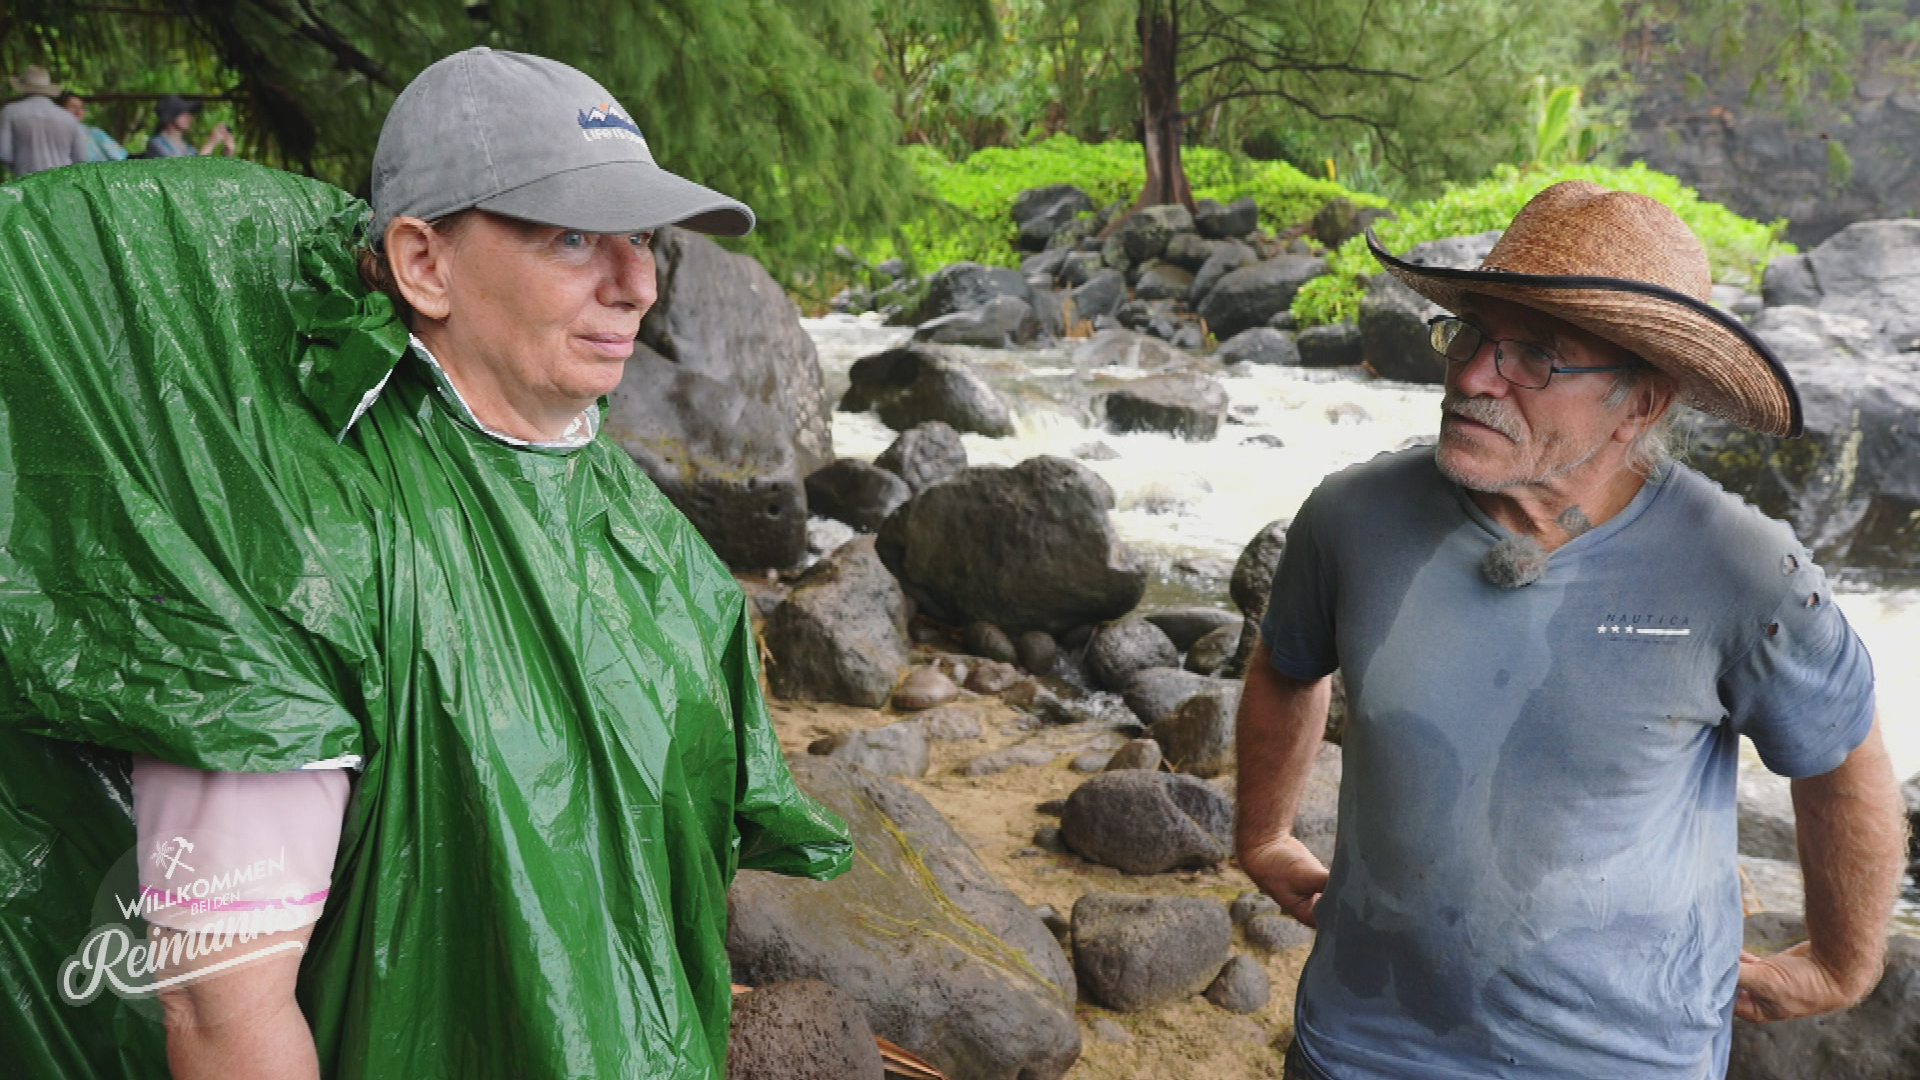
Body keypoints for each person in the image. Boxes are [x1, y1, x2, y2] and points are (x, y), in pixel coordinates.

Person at [0, 48, 850, 1080]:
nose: (638, 284)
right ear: (422, 265)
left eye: (639, 237)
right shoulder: (301, 552)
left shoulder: (633, 528)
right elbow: (221, 1013)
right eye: (574, 236)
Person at [1234, 181, 1909, 1080]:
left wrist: (1840, 964)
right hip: (1360, 1046)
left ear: (1642, 403)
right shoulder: (1351, 517)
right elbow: (1288, 663)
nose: (1473, 376)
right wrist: (1263, 836)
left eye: (1536, 357)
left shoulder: (1746, 574)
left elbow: (1842, 755)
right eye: (1471, 333)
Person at [0, 65, 89, 176]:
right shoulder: (68, 118)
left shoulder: (11, 112)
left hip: (27, 181)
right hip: (62, 181)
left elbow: (4, 154)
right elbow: (80, 158)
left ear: (23, 88)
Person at [140, 94, 234, 158]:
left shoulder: (190, 149)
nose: (189, 116)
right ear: (170, 115)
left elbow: (205, 174)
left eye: (190, 112)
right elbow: (186, 173)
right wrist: (211, 143)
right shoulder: (156, 144)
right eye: (183, 112)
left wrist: (227, 154)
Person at [58, 92, 128, 162]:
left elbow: (121, 157)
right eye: (73, 107)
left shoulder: (94, 133)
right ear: (60, 109)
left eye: (82, 108)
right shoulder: (56, 133)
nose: (78, 111)